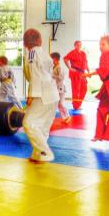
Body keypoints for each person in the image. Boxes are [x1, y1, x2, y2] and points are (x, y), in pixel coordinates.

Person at [23, 29, 59, 163]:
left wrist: (31, 95)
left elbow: (35, 75)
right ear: (40, 40)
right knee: (42, 127)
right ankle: (37, 155)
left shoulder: (32, 52)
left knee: (29, 123)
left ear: (25, 43)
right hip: (52, 93)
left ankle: (45, 153)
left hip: (42, 94)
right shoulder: (44, 53)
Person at [83, 35, 109, 145]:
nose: (100, 47)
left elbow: (107, 70)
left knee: (102, 111)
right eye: (99, 44)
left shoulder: (106, 55)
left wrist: (93, 73)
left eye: (103, 44)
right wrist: (90, 73)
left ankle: (99, 134)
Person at [64, 41, 89, 109]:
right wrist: (69, 68)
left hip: (82, 73)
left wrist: (88, 71)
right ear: (75, 46)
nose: (79, 46)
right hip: (75, 73)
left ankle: (78, 104)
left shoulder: (83, 53)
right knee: (76, 90)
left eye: (80, 45)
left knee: (84, 89)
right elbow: (65, 59)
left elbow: (86, 62)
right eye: (77, 45)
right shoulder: (72, 52)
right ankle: (76, 105)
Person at [51, 52, 71, 124]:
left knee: (61, 104)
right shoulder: (54, 67)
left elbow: (61, 77)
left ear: (55, 59)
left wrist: (53, 76)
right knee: (58, 104)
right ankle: (65, 117)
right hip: (56, 87)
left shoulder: (59, 67)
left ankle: (67, 116)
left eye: (51, 59)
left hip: (60, 87)